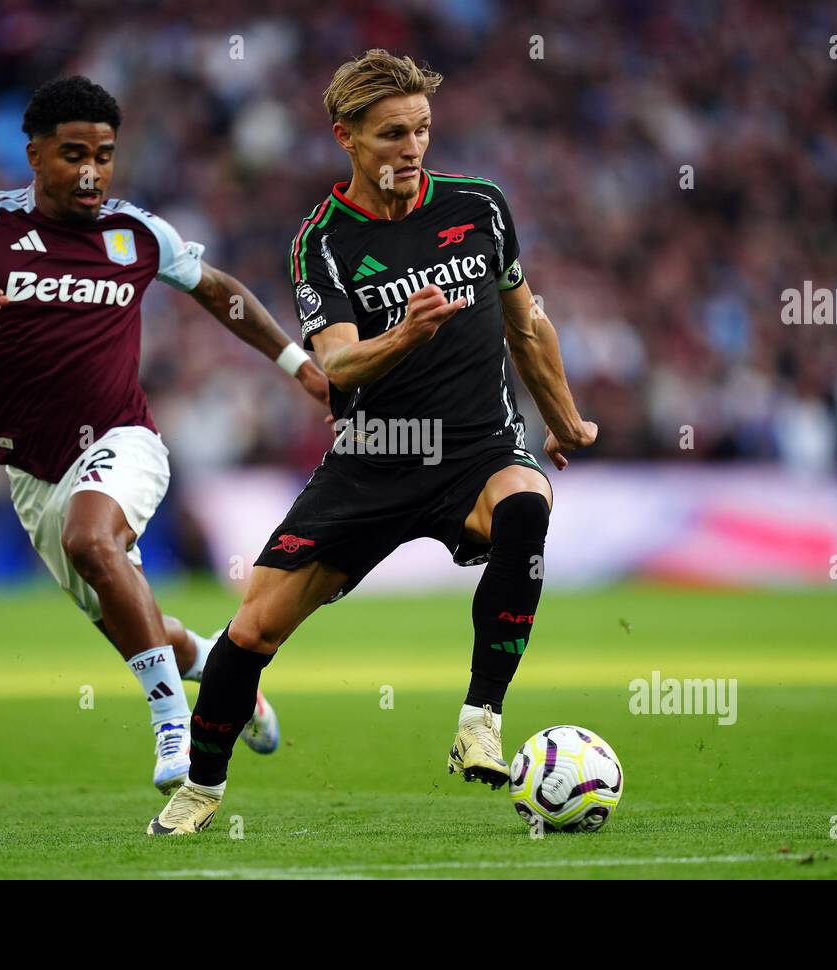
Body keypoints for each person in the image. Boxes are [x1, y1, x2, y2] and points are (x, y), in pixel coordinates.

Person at [150, 51, 596, 835]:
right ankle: (202, 788)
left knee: (527, 508)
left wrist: (562, 418)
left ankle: (479, 719)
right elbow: (337, 360)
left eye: (422, 129)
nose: (413, 147)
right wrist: (406, 332)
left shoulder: (480, 207)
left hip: (476, 449)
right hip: (374, 458)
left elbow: (526, 321)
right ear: (346, 138)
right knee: (251, 630)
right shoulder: (322, 241)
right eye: (393, 133)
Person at [0, 76, 329, 793]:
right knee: (138, 622)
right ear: (34, 154)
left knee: (94, 540)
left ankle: (173, 723)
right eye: (72, 154)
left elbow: (220, 292)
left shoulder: (138, 233)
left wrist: (297, 363)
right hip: (31, 475)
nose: (90, 171)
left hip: (124, 442)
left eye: (105, 155)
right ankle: (213, 662)